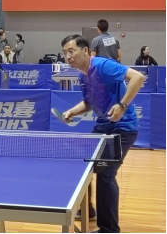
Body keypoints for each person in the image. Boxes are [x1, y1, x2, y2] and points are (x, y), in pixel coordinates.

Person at [61, 35, 145, 233]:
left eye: (71, 51)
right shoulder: (82, 75)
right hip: (103, 126)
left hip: (122, 127)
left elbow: (138, 77)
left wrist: (122, 105)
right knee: (83, 165)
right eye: (64, 53)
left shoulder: (102, 66)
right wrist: (72, 111)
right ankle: (87, 210)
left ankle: (109, 229)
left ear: (85, 51)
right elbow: (89, 102)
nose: (68, 56)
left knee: (106, 173)